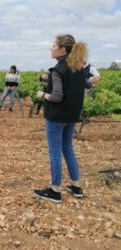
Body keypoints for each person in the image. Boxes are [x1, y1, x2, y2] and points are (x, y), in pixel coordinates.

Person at [34, 34, 100, 203]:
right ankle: (76, 186)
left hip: (56, 117)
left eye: (54, 46)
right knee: (68, 149)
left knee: (55, 152)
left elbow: (56, 97)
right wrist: (94, 79)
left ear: (62, 50)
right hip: (72, 116)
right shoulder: (77, 67)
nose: (51, 48)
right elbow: (88, 84)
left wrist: (43, 94)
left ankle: (55, 190)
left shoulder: (58, 69)